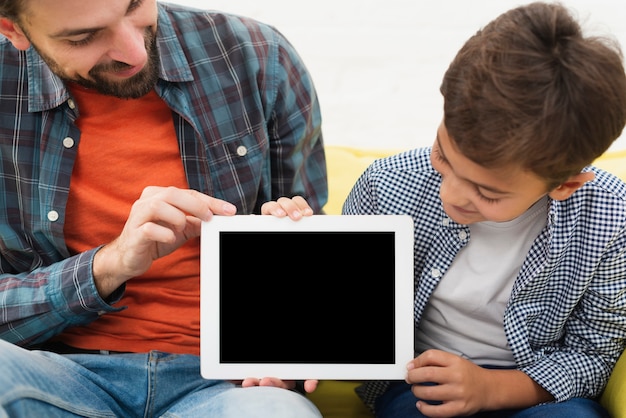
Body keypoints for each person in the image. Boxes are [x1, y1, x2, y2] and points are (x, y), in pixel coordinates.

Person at [0, 0, 327, 416]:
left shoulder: (259, 54)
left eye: (135, 5)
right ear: (13, 30)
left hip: (224, 386)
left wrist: (287, 353)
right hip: (54, 369)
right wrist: (108, 265)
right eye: (83, 37)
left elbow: (311, 257)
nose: (135, 52)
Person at [331, 2, 626, 417]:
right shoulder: (385, 185)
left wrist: (490, 388)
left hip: (536, 389)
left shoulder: (610, 217)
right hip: (420, 386)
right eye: (443, 155)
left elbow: (594, 354)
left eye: (487, 193)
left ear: (565, 184)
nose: (451, 194)